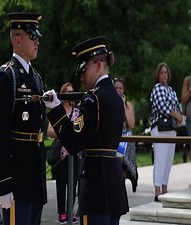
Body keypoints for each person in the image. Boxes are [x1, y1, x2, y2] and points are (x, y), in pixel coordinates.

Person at [44, 36, 129, 225]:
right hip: (113, 184)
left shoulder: (93, 99)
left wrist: (56, 109)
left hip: (96, 186)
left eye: (84, 69)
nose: (81, 76)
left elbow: (74, 143)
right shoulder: (116, 97)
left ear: (98, 66)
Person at [0, 12, 47, 225]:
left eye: (37, 36)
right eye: (32, 37)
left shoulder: (37, 78)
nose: (37, 41)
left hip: (35, 176)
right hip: (17, 178)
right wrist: (2, 184)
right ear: (17, 40)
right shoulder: (7, 76)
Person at [47, 82, 80, 224]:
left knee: (73, 186)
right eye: (67, 92)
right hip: (61, 156)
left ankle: (69, 211)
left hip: (75, 155)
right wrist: (64, 133)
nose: (69, 94)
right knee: (61, 185)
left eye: (72, 92)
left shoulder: (78, 111)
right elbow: (49, 130)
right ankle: (61, 213)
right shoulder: (58, 110)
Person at [150, 62, 183, 202]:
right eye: (161, 73)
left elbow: (177, 106)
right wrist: (177, 115)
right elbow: (163, 106)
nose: (164, 75)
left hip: (171, 129)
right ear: (158, 75)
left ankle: (165, 187)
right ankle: (157, 190)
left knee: (168, 160)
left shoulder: (172, 90)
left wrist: (179, 115)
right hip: (160, 128)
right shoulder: (157, 89)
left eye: (165, 72)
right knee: (160, 160)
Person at [114, 78, 138, 192]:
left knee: (123, 165)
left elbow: (132, 124)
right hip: (114, 137)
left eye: (120, 88)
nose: (118, 90)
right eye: (116, 88)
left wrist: (123, 106)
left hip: (126, 138)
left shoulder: (127, 105)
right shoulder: (110, 102)